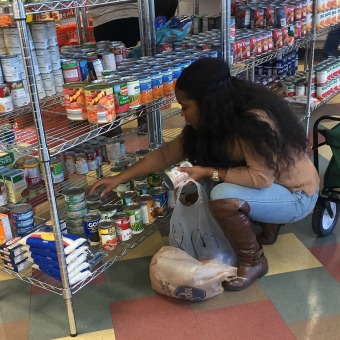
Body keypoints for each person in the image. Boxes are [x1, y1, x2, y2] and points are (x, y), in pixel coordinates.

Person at [90, 57, 320, 291]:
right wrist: (118, 178)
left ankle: (254, 261)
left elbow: (261, 178)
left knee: (222, 193)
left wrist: (210, 171)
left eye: (186, 106)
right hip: (272, 189)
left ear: (207, 103)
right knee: (211, 182)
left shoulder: (252, 121)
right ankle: (268, 226)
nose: (182, 113)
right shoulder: (211, 122)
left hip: (297, 195)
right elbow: (166, 154)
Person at [89, 0, 179, 136]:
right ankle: (146, 124)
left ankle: (111, 127)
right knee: (139, 69)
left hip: (103, 20)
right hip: (132, 16)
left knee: (108, 74)